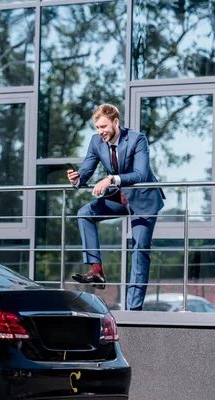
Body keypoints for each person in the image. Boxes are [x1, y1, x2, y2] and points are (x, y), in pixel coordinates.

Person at [67, 104, 164, 311]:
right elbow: (86, 170)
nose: (100, 131)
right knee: (85, 213)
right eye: (97, 127)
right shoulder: (96, 142)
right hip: (118, 198)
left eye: (103, 126)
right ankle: (96, 269)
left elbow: (140, 174)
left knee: (139, 251)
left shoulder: (138, 139)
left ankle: (133, 309)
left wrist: (111, 178)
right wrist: (77, 179)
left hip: (143, 201)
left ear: (116, 122)